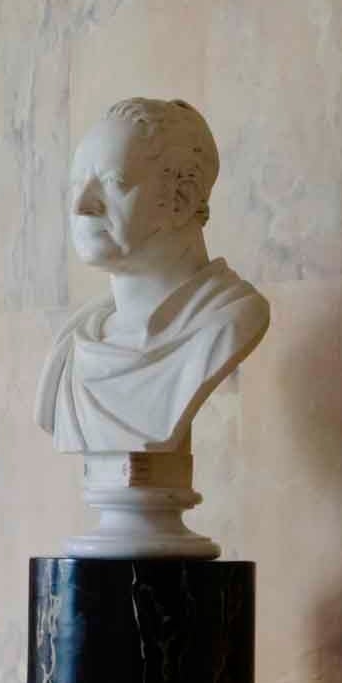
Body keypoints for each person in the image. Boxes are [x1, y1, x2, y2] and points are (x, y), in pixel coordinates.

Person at [35, 99, 269, 453]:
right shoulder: (71, 351)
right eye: (76, 185)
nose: (80, 206)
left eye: (113, 182)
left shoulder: (227, 321)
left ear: (182, 198)